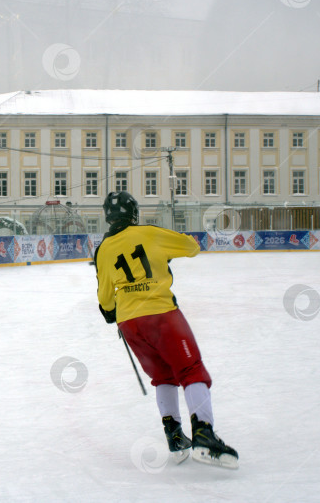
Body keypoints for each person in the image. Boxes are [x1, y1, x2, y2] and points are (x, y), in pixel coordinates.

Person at [94, 191, 238, 469]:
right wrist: (165, 254)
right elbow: (191, 246)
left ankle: (175, 437)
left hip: (130, 324)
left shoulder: (104, 249)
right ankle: (204, 434)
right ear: (133, 213)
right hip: (161, 314)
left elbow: (105, 302)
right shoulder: (149, 233)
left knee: (163, 377)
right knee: (191, 369)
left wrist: (114, 310)